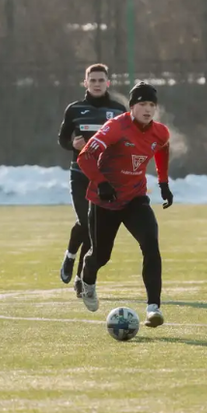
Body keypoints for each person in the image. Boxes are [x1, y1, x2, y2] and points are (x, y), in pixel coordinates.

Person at [76, 81, 173, 327]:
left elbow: (162, 148)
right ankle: (86, 281)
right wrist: (101, 182)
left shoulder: (160, 131)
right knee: (101, 256)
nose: (148, 109)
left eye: (152, 104)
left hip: (135, 198)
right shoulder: (115, 127)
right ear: (132, 107)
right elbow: (85, 155)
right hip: (105, 200)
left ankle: (154, 308)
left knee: (151, 244)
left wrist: (163, 182)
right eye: (142, 104)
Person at [56, 64, 128, 297]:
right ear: (85, 83)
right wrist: (72, 145)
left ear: (108, 83)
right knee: (86, 224)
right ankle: (70, 256)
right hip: (80, 174)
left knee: (94, 229)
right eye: (92, 80)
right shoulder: (75, 110)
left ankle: (79, 278)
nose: (97, 83)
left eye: (101, 80)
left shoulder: (119, 110)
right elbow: (63, 139)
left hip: (106, 178)